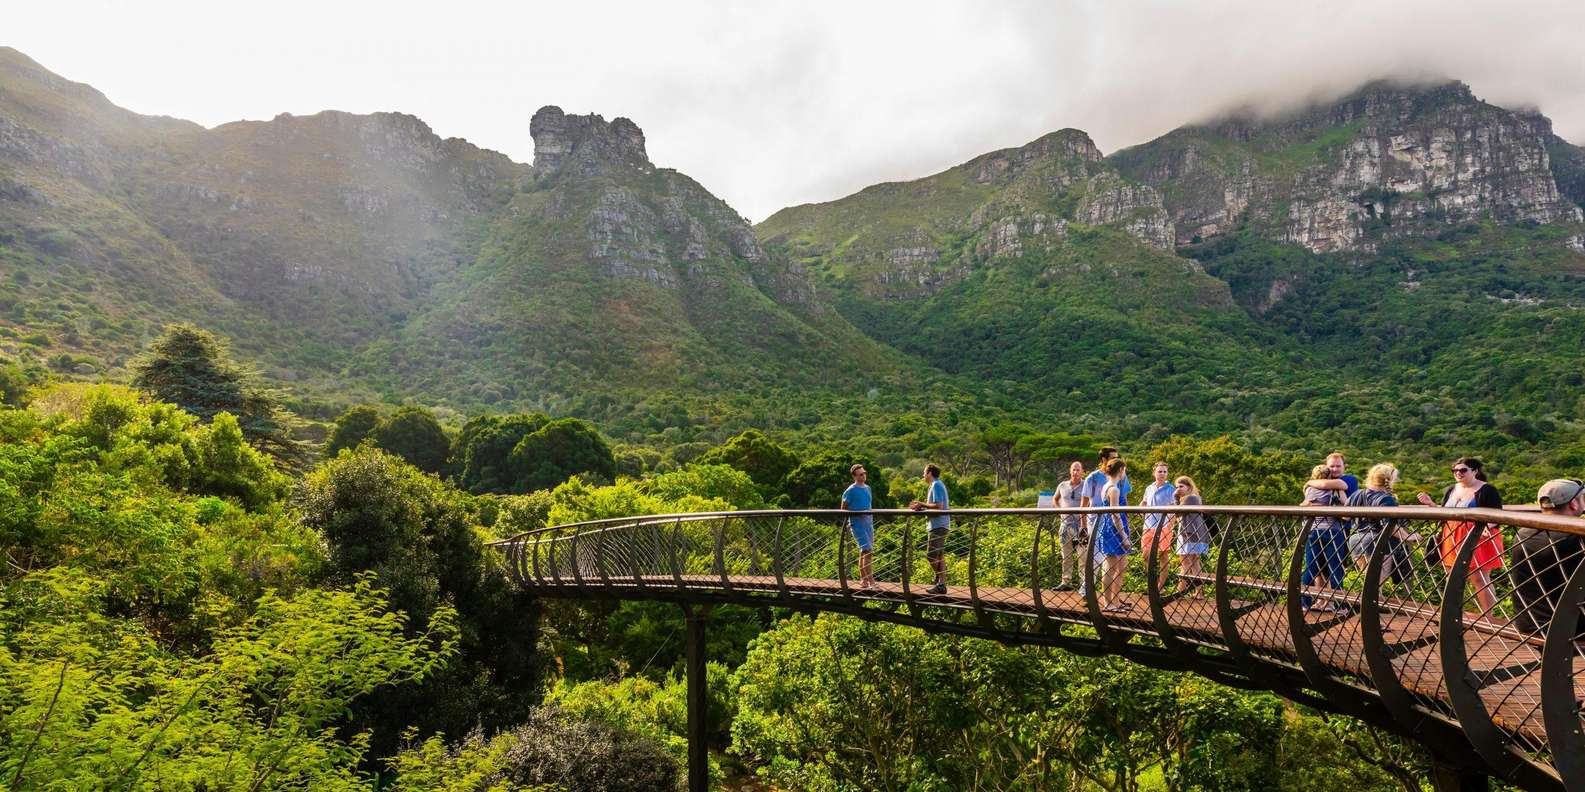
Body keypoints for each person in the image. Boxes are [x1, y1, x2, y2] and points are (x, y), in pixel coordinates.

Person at [1419, 457, 1504, 614]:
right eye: (1455, 470)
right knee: (1452, 576)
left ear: (1475, 471)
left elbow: (1497, 513)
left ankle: (1488, 616)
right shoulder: (1451, 489)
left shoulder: (1487, 489)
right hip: (1451, 535)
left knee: (1479, 577)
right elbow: (1446, 512)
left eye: (1463, 470)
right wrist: (1432, 505)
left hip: (1477, 535)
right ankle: (1454, 614)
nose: (1458, 473)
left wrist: (1488, 525)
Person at [1510, 479, 1585, 634]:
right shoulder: (1576, 536)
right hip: (1570, 626)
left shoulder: (1523, 532)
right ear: (1574, 504)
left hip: (1529, 622)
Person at [1346, 463, 1414, 586]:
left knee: (1369, 582)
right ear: (1389, 480)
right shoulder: (1386, 499)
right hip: (1378, 543)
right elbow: (1390, 526)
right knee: (1376, 585)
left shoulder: (1357, 494)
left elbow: (1344, 516)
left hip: (1356, 541)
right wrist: (1409, 537)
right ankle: (1371, 605)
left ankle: (1367, 604)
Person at [1301, 463, 1349, 612]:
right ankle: (1338, 604)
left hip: (1313, 530)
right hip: (1333, 531)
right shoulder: (1336, 488)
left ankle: (1304, 602)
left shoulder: (1309, 489)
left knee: (1311, 567)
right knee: (1335, 568)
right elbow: (1347, 507)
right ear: (1329, 476)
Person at [1093, 458, 1133, 612]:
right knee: (1110, 567)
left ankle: (1116, 601)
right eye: (1125, 470)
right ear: (1121, 470)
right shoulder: (1113, 489)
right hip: (1114, 529)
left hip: (1117, 527)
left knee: (1121, 566)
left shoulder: (1108, 486)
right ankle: (1107, 603)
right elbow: (1115, 514)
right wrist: (1123, 536)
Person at [910, 463, 951, 595]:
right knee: (939, 555)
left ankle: (941, 580)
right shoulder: (936, 485)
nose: (923, 475)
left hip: (938, 526)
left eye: (924, 472)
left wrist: (921, 504)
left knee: (931, 555)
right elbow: (936, 506)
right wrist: (923, 507)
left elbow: (939, 506)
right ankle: (941, 583)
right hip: (939, 524)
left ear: (929, 473)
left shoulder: (936, 485)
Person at [1138, 462, 1175, 590]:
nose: (1162, 474)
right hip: (1148, 525)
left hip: (1164, 526)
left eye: (1165, 472)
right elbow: (1144, 501)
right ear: (1154, 473)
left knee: (1162, 556)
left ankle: (1160, 586)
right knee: (1146, 555)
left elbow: (1173, 508)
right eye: (1160, 471)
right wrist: (1141, 506)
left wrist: (1170, 525)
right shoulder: (1149, 488)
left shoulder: (1171, 489)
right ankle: (1152, 583)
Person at [1168, 476, 1209, 591]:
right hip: (1194, 533)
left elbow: (1177, 512)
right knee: (1195, 563)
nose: (1178, 489)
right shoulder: (1195, 498)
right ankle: (1198, 592)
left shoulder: (1190, 498)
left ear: (1189, 487)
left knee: (1185, 563)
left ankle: (1180, 590)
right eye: (1176, 487)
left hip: (1189, 534)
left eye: (1181, 486)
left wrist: (1175, 498)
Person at [841, 463, 877, 590]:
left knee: (865, 551)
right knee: (867, 550)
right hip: (857, 524)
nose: (864, 475)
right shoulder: (850, 490)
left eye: (864, 473)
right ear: (854, 476)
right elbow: (843, 508)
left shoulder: (868, 488)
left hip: (868, 523)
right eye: (861, 474)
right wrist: (848, 523)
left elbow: (869, 505)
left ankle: (864, 580)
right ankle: (872, 582)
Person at [1054, 460, 1086, 591]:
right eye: (1074, 469)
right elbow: (1055, 498)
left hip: (1081, 525)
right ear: (1070, 471)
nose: (1076, 472)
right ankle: (1066, 582)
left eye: (1078, 469)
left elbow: (1090, 501)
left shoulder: (1086, 485)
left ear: (1082, 471)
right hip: (1065, 525)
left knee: (1082, 555)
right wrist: (1059, 510)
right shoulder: (1062, 485)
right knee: (1065, 555)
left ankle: (1084, 584)